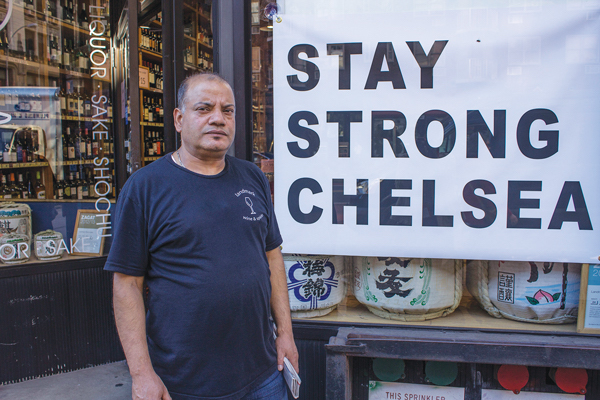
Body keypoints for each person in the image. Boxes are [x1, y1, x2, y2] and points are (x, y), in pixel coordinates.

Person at [105, 72, 299, 400]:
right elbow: (126, 284)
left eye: (227, 110)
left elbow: (272, 256)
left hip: (264, 372)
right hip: (184, 383)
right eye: (204, 108)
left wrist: (286, 334)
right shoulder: (145, 187)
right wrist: (141, 374)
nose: (218, 119)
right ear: (179, 119)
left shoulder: (251, 176)